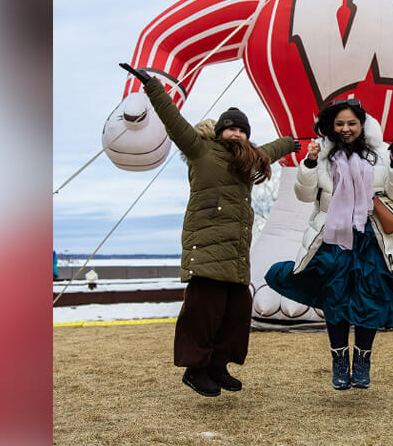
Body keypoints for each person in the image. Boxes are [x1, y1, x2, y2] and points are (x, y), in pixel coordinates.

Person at [120, 62, 300, 397]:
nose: (237, 134)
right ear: (219, 132)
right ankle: (195, 369)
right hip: (206, 248)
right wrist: (153, 88)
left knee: (237, 310)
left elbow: (270, 152)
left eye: (242, 131)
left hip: (234, 252)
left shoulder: (247, 162)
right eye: (231, 129)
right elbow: (174, 124)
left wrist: (291, 143)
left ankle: (219, 365)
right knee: (204, 311)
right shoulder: (200, 152)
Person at [265, 98, 393, 390]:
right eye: (339, 123)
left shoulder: (380, 154)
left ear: (361, 125)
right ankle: (340, 362)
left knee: (370, 299)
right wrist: (309, 163)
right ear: (331, 126)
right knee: (336, 300)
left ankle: (363, 361)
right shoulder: (323, 154)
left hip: (370, 239)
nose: (345, 129)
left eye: (351, 123)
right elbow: (305, 196)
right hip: (331, 236)